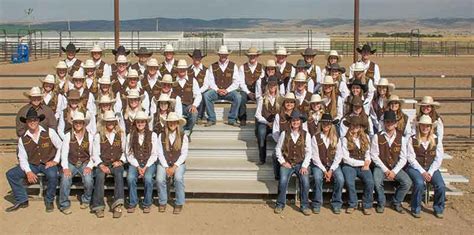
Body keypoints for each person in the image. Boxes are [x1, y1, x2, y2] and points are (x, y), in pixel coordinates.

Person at [6, 107, 62, 212]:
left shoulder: (49, 132)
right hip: (32, 164)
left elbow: (60, 146)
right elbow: (22, 157)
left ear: (38, 121)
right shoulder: (23, 139)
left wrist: (55, 160)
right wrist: (28, 172)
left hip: (47, 162)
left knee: (53, 175)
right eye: (30, 120)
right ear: (26, 122)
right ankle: (22, 199)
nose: (33, 122)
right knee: (11, 174)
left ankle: (49, 200)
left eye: (35, 120)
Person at [370, 110, 412, 214]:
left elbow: (403, 158)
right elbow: (374, 155)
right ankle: (381, 202)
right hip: (380, 166)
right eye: (387, 122)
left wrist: (394, 171)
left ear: (396, 124)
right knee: (376, 180)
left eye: (392, 122)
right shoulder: (377, 136)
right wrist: (385, 170)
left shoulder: (401, 138)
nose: (389, 124)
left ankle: (396, 202)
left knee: (407, 182)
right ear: (384, 123)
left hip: (395, 166)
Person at [406, 115, 446, 219]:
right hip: (415, 167)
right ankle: (416, 208)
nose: (425, 128)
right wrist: (423, 172)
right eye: (423, 125)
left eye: (427, 126)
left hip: (431, 167)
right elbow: (411, 158)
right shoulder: (412, 139)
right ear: (419, 126)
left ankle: (438, 208)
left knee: (441, 185)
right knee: (419, 183)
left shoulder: (436, 140)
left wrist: (430, 172)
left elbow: (438, 158)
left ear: (431, 127)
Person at [274, 110, 312, 216]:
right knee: (283, 181)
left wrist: (304, 166)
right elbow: (278, 149)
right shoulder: (284, 133)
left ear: (300, 122)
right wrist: (282, 162)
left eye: (297, 120)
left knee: (305, 182)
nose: (295, 122)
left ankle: (304, 206)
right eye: (293, 120)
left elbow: (309, 152)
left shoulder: (306, 134)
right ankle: (280, 204)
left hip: (301, 163)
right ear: (290, 121)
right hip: (288, 163)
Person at [91, 110, 126, 218]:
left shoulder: (121, 134)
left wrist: (121, 161)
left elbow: (125, 151)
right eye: (108, 121)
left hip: (116, 162)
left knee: (119, 174)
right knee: (100, 176)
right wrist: (101, 165)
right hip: (103, 163)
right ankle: (99, 206)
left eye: (112, 121)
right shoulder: (98, 136)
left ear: (115, 122)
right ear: (104, 122)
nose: (110, 124)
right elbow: (95, 154)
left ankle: (118, 205)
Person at [58, 111, 94, 215]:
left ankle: (86, 199)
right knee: (65, 178)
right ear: (73, 124)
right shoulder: (68, 136)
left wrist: (90, 166)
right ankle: (64, 204)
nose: (78, 124)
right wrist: (65, 167)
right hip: (71, 162)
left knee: (88, 179)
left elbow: (93, 155)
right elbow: (64, 154)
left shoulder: (90, 136)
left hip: (84, 162)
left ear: (84, 124)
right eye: (76, 122)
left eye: (80, 122)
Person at [310, 113, 344, 214]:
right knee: (317, 178)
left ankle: (336, 203)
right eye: (324, 123)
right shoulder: (315, 137)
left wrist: (331, 170)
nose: (326, 125)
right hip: (319, 165)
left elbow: (338, 156)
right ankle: (317, 203)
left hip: (333, 165)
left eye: (328, 124)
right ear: (321, 124)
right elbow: (315, 157)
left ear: (331, 125)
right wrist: (325, 170)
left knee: (340, 179)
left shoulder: (336, 138)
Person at [340, 115, 374, 215]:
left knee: (370, 182)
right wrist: (363, 163)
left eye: (357, 126)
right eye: (353, 125)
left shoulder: (366, 137)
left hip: (364, 165)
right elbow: (346, 158)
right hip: (349, 165)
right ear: (350, 126)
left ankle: (367, 204)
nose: (355, 127)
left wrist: (367, 161)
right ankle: (352, 203)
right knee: (350, 182)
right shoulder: (344, 139)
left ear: (360, 127)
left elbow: (368, 152)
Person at [156, 112, 189, 214]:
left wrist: (174, 167)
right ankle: (163, 201)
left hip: (178, 163)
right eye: (170, 122)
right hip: (164, 162)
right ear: (167, 123)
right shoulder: (161, 136)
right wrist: (166, 167)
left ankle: (179, 202)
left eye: (174, 122)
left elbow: (184, 154)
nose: (172, 124)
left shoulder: (183, 136)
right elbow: (159, 153)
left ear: (177, 123)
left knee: (178, 178)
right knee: (159, 179)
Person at [126, 111, 158, 214]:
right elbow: (129, 154)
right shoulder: (130, 136)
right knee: (130, 178)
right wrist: (138, 166)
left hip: (149, 162)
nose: (140, 124)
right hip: (135, 163)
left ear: (146, 123)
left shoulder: (153, 135)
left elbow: (154, 154)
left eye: (142, 122)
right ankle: (133, 202)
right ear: (135, 123)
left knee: (148, 178)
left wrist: (145, 166)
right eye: (138, 122)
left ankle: (147, 203)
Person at [202, 45, 241, 127]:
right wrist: (217, 90)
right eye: (221, 54)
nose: (223, 56)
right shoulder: (212, 66)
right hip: (216, 91)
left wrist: (227, 90)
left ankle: (232, 119)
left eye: (225, 54)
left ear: (227, 55)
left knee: (238, 96)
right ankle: (212, 118)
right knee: (206, 95)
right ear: (218, 55)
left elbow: (236, 82)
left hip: (229, 92)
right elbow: (211, 81)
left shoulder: (233, 65)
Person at [255, 76, 282, 165]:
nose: (272, 87)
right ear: (267, 86)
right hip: (266, 123)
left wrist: (275, 123)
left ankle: (280, 157)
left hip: (277, 123)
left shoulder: (281, 99)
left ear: (276, 86)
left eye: (274, 85)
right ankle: (262, 158)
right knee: (261, 132)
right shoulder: (262, 98)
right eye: (270, 85)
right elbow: (258, 115)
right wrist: (267, 123)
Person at [172, 59, 202, 139]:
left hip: (187, 106)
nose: (182, 70)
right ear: (177, 69)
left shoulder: (193, 80)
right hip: (174, 106)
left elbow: (198, 95)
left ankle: (186, 133)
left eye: (183, 69)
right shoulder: (172, 80)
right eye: (180, 69)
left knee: (194, 113)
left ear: (186, 70)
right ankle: (176, 133)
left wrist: (194, 105)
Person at [238, 47, 263, 126]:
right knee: (241, 97)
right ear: (248, 56)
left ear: (257, 56)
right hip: (246, 91)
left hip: (258, 91)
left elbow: (262, 82)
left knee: (261, 98)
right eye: (250, 56)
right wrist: (248, 93)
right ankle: (242, 118)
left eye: (254, 56)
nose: (252, 57)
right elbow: (241, 83)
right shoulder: (242, 67)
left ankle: (258, 118)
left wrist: (257, 93)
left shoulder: (262, 68)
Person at [188, 49, 208, 123]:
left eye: (198, 57)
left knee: (202, 95)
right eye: (195, 57)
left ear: (201, 58)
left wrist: (197, 92)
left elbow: (206, 85)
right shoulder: (187, 69)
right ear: (192, 58)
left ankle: (200, 116)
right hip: (190, 91)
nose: (197, 59)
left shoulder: (206, 70)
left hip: (201, 90)